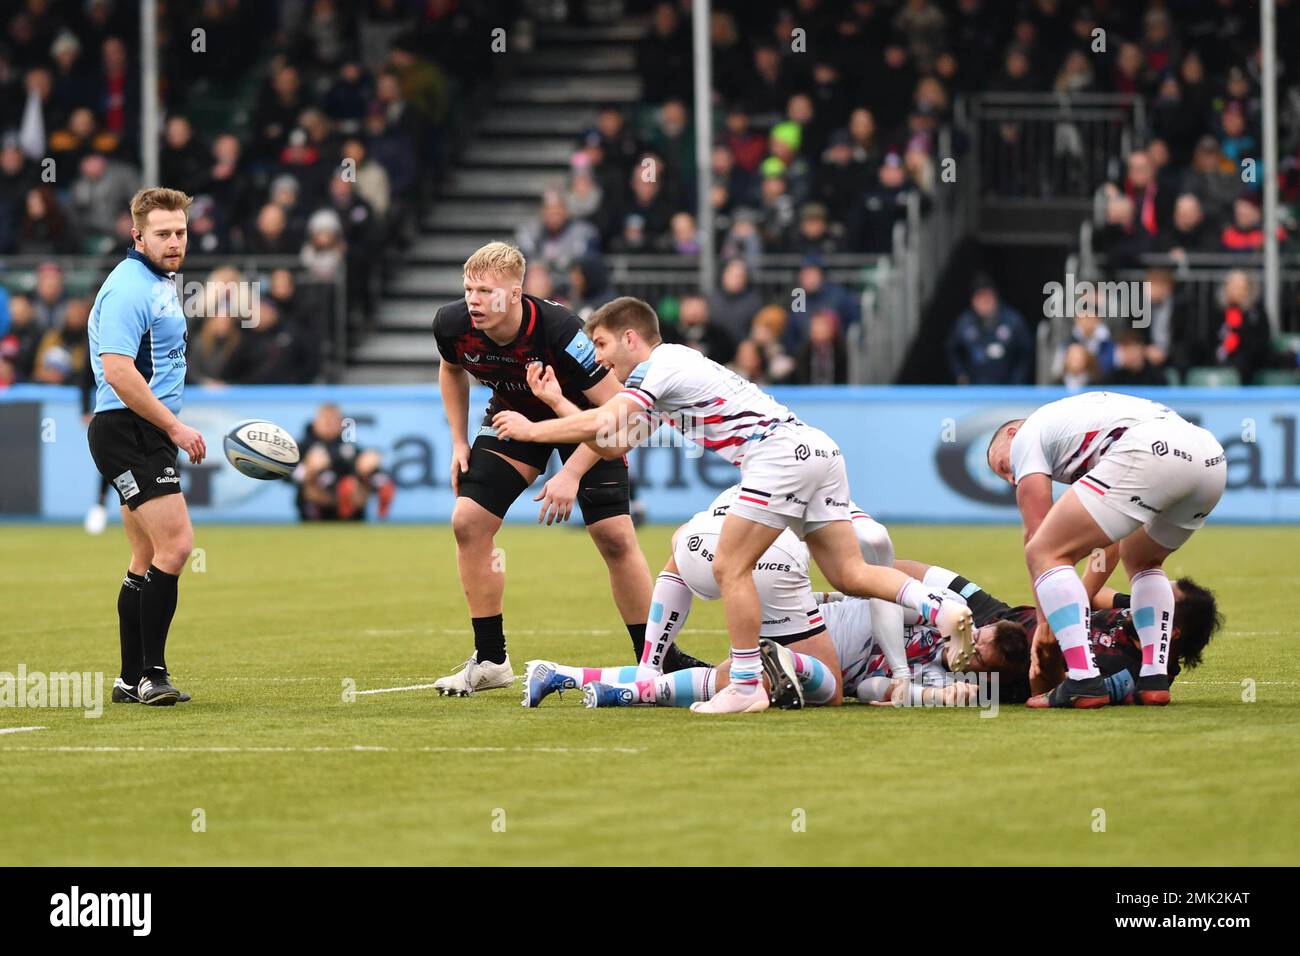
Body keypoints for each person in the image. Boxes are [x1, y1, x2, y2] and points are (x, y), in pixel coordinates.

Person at [492, 297, 972, 714]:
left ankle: (743, 686)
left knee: (729, 565)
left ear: (631, 338)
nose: (596, 359)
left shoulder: (660, 367)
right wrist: (556, 402)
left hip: (777, 455)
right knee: (849, 574)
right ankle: (942, 612)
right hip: (816, 449)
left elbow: (610, 417)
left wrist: (533, 431)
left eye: (600, 345)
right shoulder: (671, 374)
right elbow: (615, 441)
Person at [432, 244, 685, 697]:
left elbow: (617, 413)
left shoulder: (561, 330)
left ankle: (656, 661)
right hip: (514, 418)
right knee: (468, 522)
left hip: (583, 418)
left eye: (485, 291)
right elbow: (451, 370)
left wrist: (570, 473)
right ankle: (491, 659)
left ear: (515, 293)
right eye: (469, 289)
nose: (473, 300)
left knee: (614, 537)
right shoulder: (452, 324)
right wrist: (457, 440)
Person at [985, 391, 1227, 709]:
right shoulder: (1080, 435)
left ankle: (1084, 681)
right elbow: (1109, 545)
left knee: (1043, 551)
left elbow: (1036, 530)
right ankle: (1153, 680)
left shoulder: (1029, 435)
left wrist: (1046, 629)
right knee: (1143, 560)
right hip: (1209, 459)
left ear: (1012, 434)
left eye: (1004, 465)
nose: (1012, 476)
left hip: (1152, 449)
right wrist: (1079, 595)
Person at [85, 188, 206, 707]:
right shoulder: (130, 287)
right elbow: (117, 371)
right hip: (128, 429)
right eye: (163, 233)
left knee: (145, 554)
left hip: (139, 428)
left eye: (180, 231)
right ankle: (152, 676)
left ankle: (128, 677)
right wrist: (174, 429)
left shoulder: (158, 282)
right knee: (177, 547)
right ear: (137, 235)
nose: (175, 241)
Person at [293, 403, 395, 520]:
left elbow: (356, 467)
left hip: (350, 502)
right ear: (316, 422)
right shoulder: (302, 447)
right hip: (316, 507)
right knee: (316, 480)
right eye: (326, 420)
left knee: (362, 473)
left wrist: (366, 464)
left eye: (334, 421)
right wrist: (309, 470)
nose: (329, 425)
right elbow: (289, 477)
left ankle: (380, 484)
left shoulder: (348, 445)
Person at [946, 275, 1033, 385]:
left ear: (995, 297)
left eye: (988, 296)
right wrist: (960, 374)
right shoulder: (964, 323)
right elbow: (952, 349)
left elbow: (1026, 352)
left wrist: (1017, 380)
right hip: (975, 388)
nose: (985, 302)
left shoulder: (1013, 321)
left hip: (1007, 388)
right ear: (973, 300)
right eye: (980, 297)